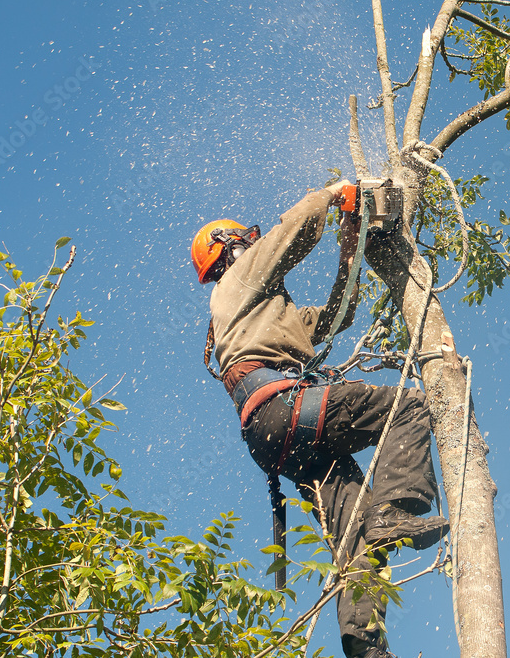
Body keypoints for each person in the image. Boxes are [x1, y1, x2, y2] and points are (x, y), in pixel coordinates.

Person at [190, 180, 448, 658]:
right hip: (286, 408)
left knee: (356, 536)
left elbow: (337, 315)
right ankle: (396, 508)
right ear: (230, 249)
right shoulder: (238, 279)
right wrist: (331, 194)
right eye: (245, 242)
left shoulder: (264, 314)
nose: (252, 246)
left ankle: (365, 647)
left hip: (277, 436)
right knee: (408, 406)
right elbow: (292, 231)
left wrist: (351, 241)